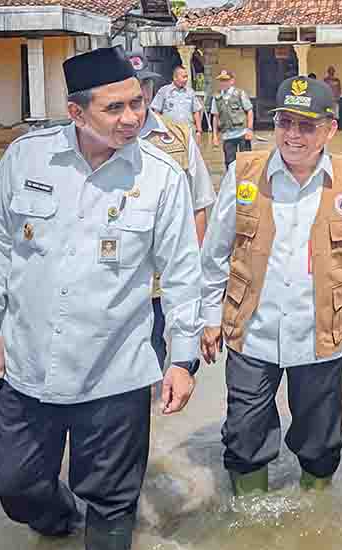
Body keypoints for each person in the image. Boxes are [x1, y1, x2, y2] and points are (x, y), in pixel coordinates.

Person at [0, 45, 203, 550]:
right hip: (27, 365)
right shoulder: (26, 158)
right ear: (76, 112)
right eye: (114, 109)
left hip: (115, 373)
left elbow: (185, 273)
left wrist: (183, 359)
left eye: (137, 104)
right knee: (16, 488)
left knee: (114, 504)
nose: (133, 119)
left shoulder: (161, 176)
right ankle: (62, 524)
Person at [198, 76, 342, 495]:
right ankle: (250, 529)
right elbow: (214, 254)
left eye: (307, 125)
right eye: (285, 123)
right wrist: (209, 318)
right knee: (244, 439)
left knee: (320, 445)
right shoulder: (244, 172)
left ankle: (316, 522)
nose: (293, 135)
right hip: (251, 334)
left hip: (322, 334)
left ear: (330, 129)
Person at [129, 52, 217, 377]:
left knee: (154, 363)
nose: (138, 96)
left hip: (161, 284)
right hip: (111, 283)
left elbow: (198, 205)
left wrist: (194, 275)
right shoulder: (91, 138)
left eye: (143, 88)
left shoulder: (178, 138)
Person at [210, 69, 255, 169]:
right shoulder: (217, 97)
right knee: (229, 164)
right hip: (227, 135)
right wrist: (214, 136)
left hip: (242, 133)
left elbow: (249, 111)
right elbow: (215, 117)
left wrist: (250, 130)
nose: (223, 83)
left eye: (226, 80)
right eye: (221, 80)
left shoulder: (239, 93)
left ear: (232, 81)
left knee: (246, 162)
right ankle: (231, 183)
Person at [150, 63, 205, 139]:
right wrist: (163, 128)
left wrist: (199, 130)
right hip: (170, 132)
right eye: (183, 77)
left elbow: (196, 111)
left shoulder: (190, 92)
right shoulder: (164, 91)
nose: (186, 79)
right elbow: (156, 112)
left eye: (187, 77)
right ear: (175, 77)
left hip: (188, 131)